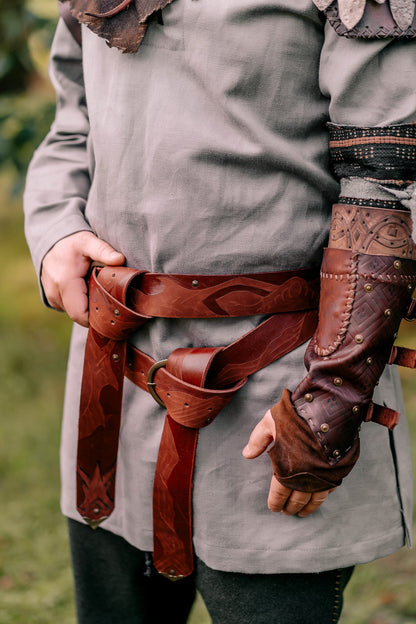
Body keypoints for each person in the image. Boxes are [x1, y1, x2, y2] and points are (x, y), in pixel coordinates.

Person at [24, 1, 416, 622]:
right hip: (112, 380)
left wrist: (332, 395)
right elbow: (74, 119)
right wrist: (53, 230)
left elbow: (387, 176)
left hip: (280, 385)